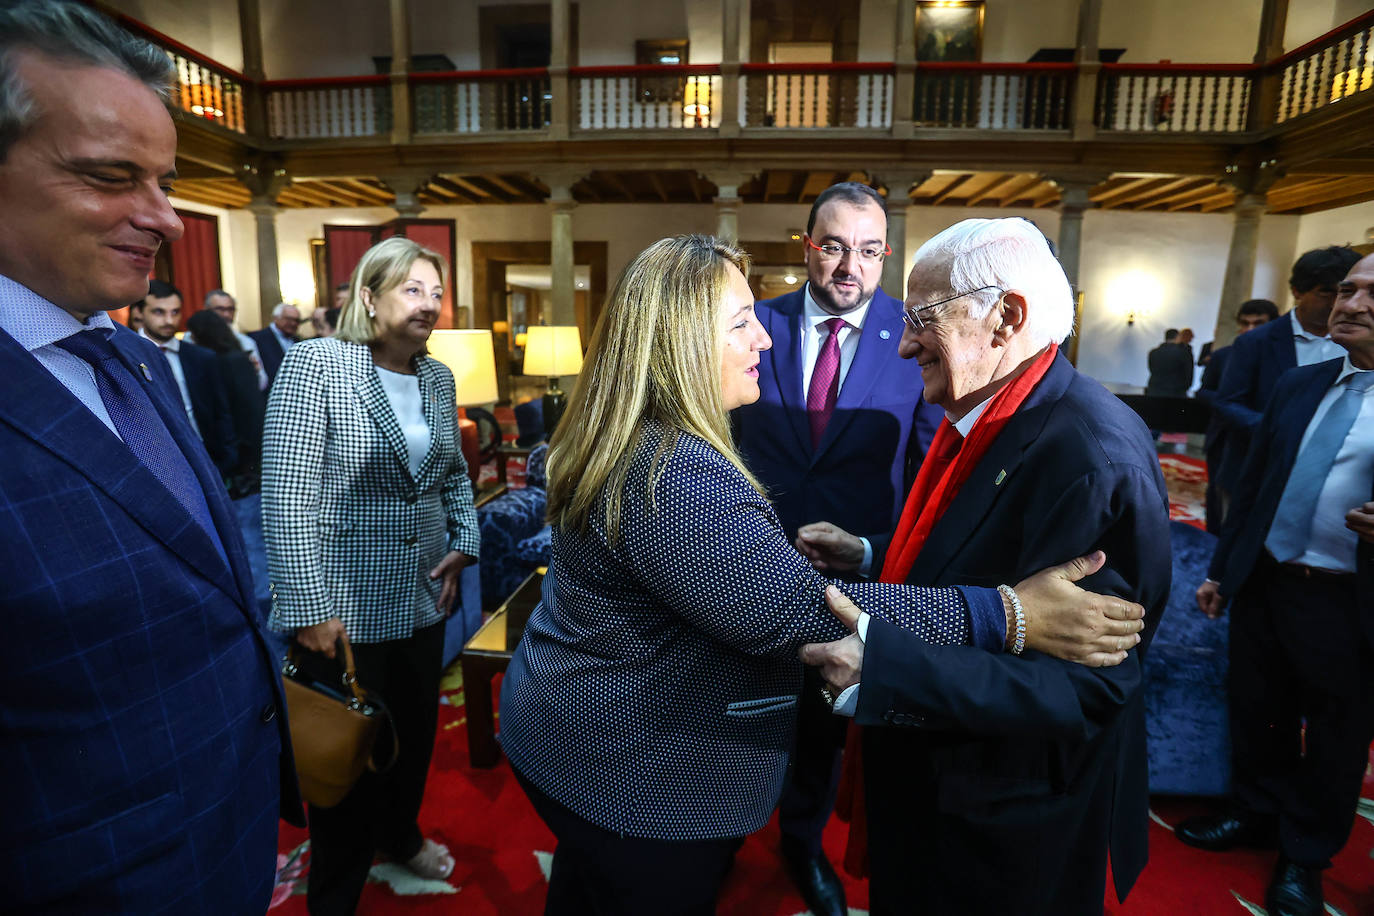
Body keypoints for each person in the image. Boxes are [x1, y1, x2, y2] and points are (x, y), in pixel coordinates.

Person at [498, 234, 1148, 916]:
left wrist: (869, 553)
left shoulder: (1092, 451)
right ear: (682, 344)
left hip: (573, 733)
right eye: (742, 322)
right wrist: (1007, 614)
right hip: (630, 769)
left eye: (922, 319)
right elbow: (800, 616)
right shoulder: (675, 471)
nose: (767, 341)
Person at [0, 1, 301, 910]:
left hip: (224, 828)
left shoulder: (131, 355)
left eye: (165, 181)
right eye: (109, 176)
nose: (167, 219)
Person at [796, 218, 1171, 914]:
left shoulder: (1088, 454)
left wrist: (889, 670)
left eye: (921, 318)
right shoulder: (998, 410)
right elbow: (973, 549)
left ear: (1007, 318)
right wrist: (877, 553)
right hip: (941, 785)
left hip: (1002, 816)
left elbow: (1090, 689)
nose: (905, 342)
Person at [732, 181, 940, 916]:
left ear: (886, 255)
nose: (851, 265)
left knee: (824, 722)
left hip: (851, 579)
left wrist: (879, 551)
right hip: (746, 562)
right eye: (835, 246)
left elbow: (925, 475)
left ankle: (801, 840)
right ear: (807, 245)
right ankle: (723, 827)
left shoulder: (912, 336)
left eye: (870, 250)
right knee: (738, 704)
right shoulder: (752, 322)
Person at [262, 235, 480, 914]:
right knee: (344, 759)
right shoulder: (318, 365)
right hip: (342, 607)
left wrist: (466, 539)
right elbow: (286, 492)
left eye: (437, 293)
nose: (430, 305)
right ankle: (336, 891)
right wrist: (307, 607)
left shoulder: (437, 377)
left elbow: (450, 477)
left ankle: (401, 833)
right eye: (412, 289)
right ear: (368, 296)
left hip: (421, 592)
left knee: (412, 739)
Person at [1179, 253, 1374, 916]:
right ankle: (1256, 810)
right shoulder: (1301, 383)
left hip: (1350, 598)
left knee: (1335, 735)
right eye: (1348, 289)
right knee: (1257, 707)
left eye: (1372, 294)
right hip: (1266, 579)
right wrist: (1224, 572)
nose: (1351, 304)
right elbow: (1255, 487)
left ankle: (1305, 854)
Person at [1211, 246, 1361, 506]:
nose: (1338, 303)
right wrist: (1284, 432)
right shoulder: (1256, 342)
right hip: (1258, 471)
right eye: (1327, 293)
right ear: (1297, 292)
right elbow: (1228, 402)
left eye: (1345, 293)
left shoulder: (1359, 341)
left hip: (1334, 479)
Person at [134, 278, 239, 475]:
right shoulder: (124, 354)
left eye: (175, 312)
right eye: (159, 312)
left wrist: (227, 457)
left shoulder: (201, 357)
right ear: (139, 312)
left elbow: (221, 410)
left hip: (206, 459)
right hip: (155, 464)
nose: (169, 320)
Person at [1196, 298, 1279, 532]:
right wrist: (1229, 400)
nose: (1250, 329)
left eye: (1258, 323)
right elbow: (1203, 391)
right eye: (1245, 323)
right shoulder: (1223, 355)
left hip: (1264, 440)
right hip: (1224, 437)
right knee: (1218, 498)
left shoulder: (1279, 358)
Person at [187, 308, 266, 498]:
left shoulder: (230, 360)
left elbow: (247, 409)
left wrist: (239, 451)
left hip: (241, 449)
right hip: (239, 446)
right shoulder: (231, 357)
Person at [200, 287, 269, 390]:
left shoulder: (246, 342)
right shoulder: (192, 339)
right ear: (206, 310)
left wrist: (254, 371)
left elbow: (262, 383)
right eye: (220, 309)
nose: (226, 314)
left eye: (230, 309)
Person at [250, 300, 301, 384]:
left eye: (296, 320)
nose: (293, 323)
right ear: (276, 318)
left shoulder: (298, 341)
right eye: (288, 319)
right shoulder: (257, 339)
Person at [1145, 327, 1194, 397]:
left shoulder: (1153, 352)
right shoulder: (1184, 353)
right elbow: (1188, 374)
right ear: (1178, 337)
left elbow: (1151, 369)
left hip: (1154, 390)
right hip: (1175, 392)